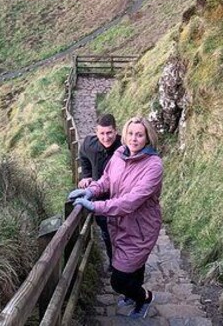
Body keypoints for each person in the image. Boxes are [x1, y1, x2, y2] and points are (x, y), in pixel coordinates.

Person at [69, 116, 162, 319]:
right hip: (118, 224)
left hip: (140, 228)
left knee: (118, 280)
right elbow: (106, 180)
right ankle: (133, 294)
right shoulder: (120, 153)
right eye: (130, 134)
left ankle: (145, 298)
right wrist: (90, 191)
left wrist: (95, 206)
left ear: (147, 137)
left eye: (139, 135)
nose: (134, 139)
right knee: (133, 268)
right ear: (125, 134)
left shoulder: (153, 166)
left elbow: (130, 201)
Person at [77, 114, 122, 266]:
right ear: (96, 133)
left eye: (109, 133)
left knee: (123, 233)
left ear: (115, 131)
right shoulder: (89, 144)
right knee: (106, 233)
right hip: (100, 198)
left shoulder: (125, 147)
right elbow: (82, 155)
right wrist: (87, 175)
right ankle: (113, 263)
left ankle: (127, 266)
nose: (106, 137)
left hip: (121, 198)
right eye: (102, 133)